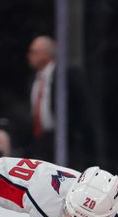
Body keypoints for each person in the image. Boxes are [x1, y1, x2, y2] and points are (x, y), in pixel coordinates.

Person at [25, 36, 95, 170]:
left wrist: (76, 134)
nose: (29, 56)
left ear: (45, 54)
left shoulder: (67, 74)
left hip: (65, 141)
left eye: (33, 52)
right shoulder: (34, 79)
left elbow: (83, 107)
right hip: (40, 140)